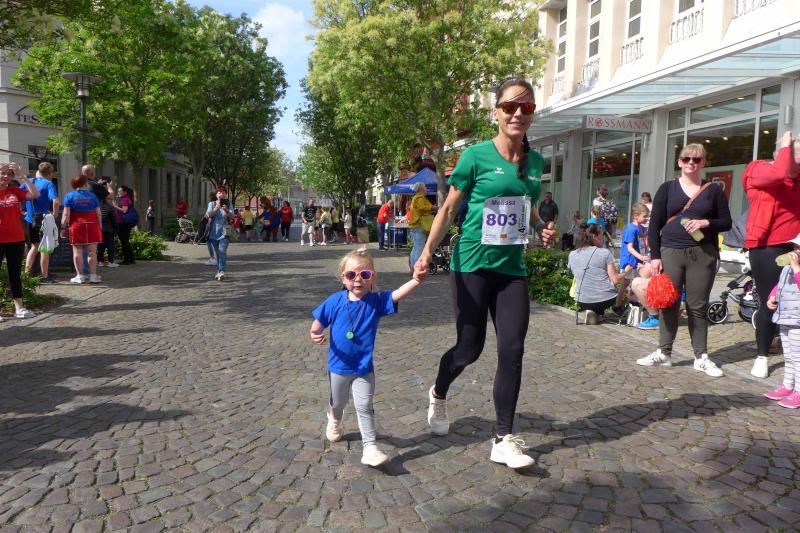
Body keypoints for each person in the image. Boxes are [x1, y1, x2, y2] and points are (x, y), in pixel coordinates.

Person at [414, 77, 556, 469]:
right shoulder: (475, 156)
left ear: (532, 114)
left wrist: (541, 227)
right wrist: (426, 252)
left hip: (511, 270)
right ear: (496, 112)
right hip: (471, 265)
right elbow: (447, 209)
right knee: (469, 349)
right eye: (510, 106)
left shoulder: (535, 162)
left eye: (526, 107)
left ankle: (503, 439)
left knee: (512, 349)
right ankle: (438, 392)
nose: (518, 113)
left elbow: (527, 207)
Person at [310, 248, 422, 466]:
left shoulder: (376, 301)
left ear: (373, 277)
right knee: (338, 402)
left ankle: (370, 447)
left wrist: (416, 280)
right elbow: (318, 322)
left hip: (363, 368)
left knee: (364, 405)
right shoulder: (335, 301)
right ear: (343, 278)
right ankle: (334, 419)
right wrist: (315, 333)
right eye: (351, 275)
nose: (358, 279)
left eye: (365, 274)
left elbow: (398, 294)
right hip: (338, 367)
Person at [637, 143, 732, 376]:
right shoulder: (667, 188)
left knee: (697, 306)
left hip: (702, 253)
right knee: (668, 302)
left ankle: (701, 357)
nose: (691, 163)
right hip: (671, 252)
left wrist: (706, 222)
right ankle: (664, 353)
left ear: (703, 163)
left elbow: (727, 222)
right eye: (687, 158)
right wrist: (655, 257)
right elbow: (654, 225)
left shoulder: (713, 190)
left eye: (697, 159)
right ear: (679, 162)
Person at [742, 131, 800, 378]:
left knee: (794, 303)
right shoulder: (758, 169)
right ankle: (762, 356)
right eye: (797, 161)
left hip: (794, 247)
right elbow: (779, 172)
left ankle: (792, 353)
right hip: (766, 247)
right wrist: (787, 143)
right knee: (771, 301)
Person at [0, 162, 39, 320]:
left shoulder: (14, 191)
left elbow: (35, 194)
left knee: (15, 274)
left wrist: (22, 176)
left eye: (9, 174)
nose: (6, 176)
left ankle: (19, 308)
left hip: (16, 238)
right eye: (2, 173)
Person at [764, 235, 800, 408]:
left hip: (798, 321)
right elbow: (779, 285)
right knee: (789, 356)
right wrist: (772, 297)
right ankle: (788, 386)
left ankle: (799, 391)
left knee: (798, 358)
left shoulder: (795, 267)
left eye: (799, 248)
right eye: (795, 247)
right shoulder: (787, 267)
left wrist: (796, 268)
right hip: (785, 317)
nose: (796, 251)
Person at [569, 224, 627, 324]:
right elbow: (615, 279)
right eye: (601, 234)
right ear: (594, 237)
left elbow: (573, 274)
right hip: (605, 300)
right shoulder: (604, 253)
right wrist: (627, 271)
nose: (603, 238)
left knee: (595, 286)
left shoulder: (572, 254)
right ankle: (597, 312)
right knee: (619, 288)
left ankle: (594, 313)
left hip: (581, 300)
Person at [61, 175, 103, 284]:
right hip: (92, 225)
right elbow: (98, 213)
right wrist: (100, 225)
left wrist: (62, 227)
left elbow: (66, 214)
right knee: (92, 252)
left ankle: (80, 276)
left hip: (77, 226)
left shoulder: (69, 196)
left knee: (77, 251)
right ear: (85, 183)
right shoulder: (93, 196)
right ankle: (93, 276)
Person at [23, 162, 60, 284]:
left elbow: (17, 195)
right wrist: (54, 215)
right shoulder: (48, 183)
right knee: (45, 248)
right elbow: (55, 201)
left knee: (34, 247)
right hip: (44, 219)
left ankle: (26, 275)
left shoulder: (29, 182)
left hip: (30, 219)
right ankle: (44, 276)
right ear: (50, 173)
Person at [616, 202, 650, 312]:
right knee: (626, 283)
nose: (646, 219)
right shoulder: (631, 229)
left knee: (635, 283)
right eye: (644, 216)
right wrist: (641, 257)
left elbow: (641, 243)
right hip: (630, 261)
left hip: (637, 261)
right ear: (636, 216)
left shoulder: (640, 228)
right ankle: (617, 305)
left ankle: (631, 304)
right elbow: (629, 248)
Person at [206, 187, 234, 281]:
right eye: (219, 192)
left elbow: (233, 216)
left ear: (225, 194)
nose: (221, 194)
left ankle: (222, 271)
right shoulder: (211, 204)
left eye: (223, 192)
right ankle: (218, 271)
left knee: (222, 252)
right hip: (213, 232)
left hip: (225, 232)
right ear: (216, 194)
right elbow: (208, 215)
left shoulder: (229, 204)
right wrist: (216, 208)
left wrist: (227, 210)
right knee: (218, 253)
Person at [407, 182, 433, 275]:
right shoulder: (419, 198)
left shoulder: (416, 198)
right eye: (425, 187)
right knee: (419, 248)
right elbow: (422, 208)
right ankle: (415, 268)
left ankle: (412, 267)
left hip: (415, 226)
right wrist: (433, 207)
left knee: (416, 247)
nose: (426, 188)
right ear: (421, 189)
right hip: (419, 225)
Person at [112, 185, 136, 265]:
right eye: (118, 191)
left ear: (125, 192)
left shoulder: (125, 199)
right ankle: (131, 259)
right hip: (124, 223)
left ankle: (127, 260)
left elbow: (124, 210)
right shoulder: (125, 198)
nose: (118, 192)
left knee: (124, 241)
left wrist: (115, 206)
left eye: (120, 191)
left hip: (123, 223)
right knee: (126, 241)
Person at [97, 193, 119, 268]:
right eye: (110, 199)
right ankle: (111, 262)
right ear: (106, 199)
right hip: (109, 230)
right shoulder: (110, 207)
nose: (111, 200)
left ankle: (100, 261)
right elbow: (114, 220)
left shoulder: (98, 207)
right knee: (110, 246)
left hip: (100, 229)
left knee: (100, 246)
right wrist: (116, 229)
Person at [201, 191, 216, 265]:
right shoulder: (219, 203)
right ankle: (218, 258)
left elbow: (207, 214)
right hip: (218, 225)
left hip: (211, 225)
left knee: (209, 241)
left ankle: (212, 258)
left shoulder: (211, 204)